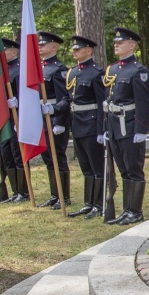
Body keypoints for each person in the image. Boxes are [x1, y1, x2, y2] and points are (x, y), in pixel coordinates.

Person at [104, 27, 149, 226]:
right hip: (115, 126)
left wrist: (141, 130)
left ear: (132, 45)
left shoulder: (138, 71)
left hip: (130, 126)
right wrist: (106, 128)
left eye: (120, 42)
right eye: (115, 42)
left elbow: (144, 102)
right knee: (123, 169)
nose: (116, 44)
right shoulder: (112, 70)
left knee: (134, 169)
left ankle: (136, 211)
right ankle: (127, 209)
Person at [65, 35, 106, 219]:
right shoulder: (72, 72)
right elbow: (70, 100)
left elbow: (101, 103)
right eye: (73, 48)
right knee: (85, 166)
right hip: (77, 123)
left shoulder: (97, 72)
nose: (74, 51)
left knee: (97, 166)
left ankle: (99, 204)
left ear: (88, 51)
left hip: (90, 123)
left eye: (78, 48)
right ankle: (88, 203)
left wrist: (101, 129)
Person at [37, 31, 72, 209]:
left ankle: (64, 196)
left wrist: (59, 121)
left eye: (44, 44)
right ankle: (54, 194)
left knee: (58, 156)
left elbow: (64, 98)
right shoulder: (39, 67)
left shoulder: (59, 69)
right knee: (48, 157)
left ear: (54, 47)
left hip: (54, 117)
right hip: (41, 118)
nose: (40, 46)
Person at [0, 38, 30, 204]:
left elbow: (27, 95)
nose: (2, 54)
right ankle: (15, 190)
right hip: (5, 118)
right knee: (7, 153)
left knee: (18, 153)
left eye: (5, 50)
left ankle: (24, 191)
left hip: (17, 117)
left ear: (13, 51)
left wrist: (18, 102)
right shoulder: (2, 71)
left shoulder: (19, 70)